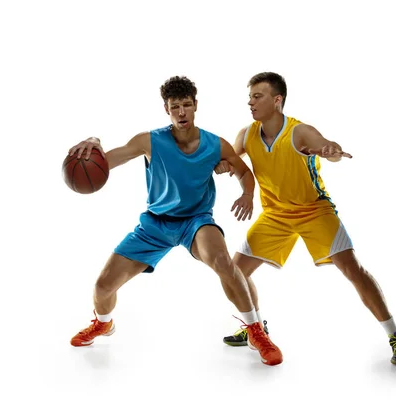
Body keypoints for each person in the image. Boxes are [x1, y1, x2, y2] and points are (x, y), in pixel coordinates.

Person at [67, 76, 282, 366]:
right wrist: (94, 141)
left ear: (196, 106)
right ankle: (103, 323)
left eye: (187, 105)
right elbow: (107, 160)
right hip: (155, 224)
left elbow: (245, 172)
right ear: (166, 110)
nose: (181, 112)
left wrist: (247, 194)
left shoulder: (214, 144)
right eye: (175, 106)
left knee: (222, 261)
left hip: (195, 221)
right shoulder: (150, 141)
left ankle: (255, 330)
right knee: (103, 287)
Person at [214, 72, 396, 367]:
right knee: (233, 273)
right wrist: (222, 166)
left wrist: (330, 151)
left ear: (277, 100)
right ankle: (255, 329)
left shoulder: (299, 132)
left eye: (257, 96)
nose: (250, 102)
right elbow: (231, 159)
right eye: (250, 97)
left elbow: (325, 146)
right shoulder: (246, 134)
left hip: (314, 211)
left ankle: (395, 335)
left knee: (353, 270)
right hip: (275, 214)